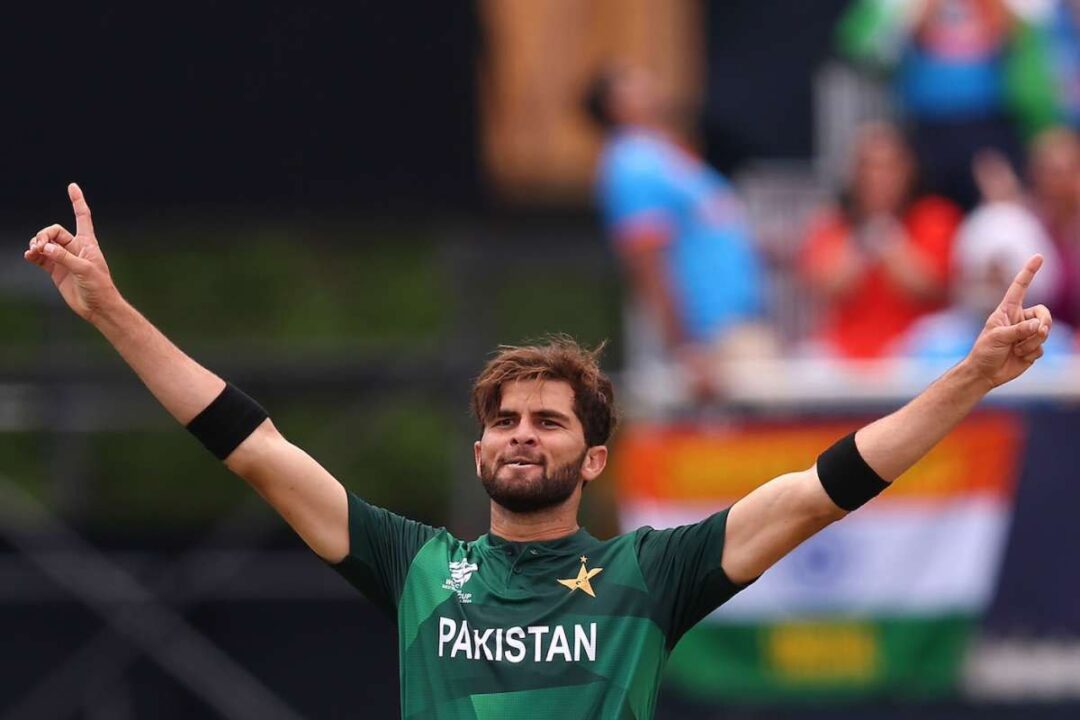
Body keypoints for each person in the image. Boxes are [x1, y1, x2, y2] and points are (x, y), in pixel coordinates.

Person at [25, 184, 1053, 719]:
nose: (522, 433)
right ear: (479, 447)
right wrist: (111, 310)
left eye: (550, 420)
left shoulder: (653, 575)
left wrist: (968, 377)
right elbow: (253, 447)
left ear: (594, 459)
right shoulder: (418, 566)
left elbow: (824, 489)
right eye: (506, 419)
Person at [585, 63, 776, 402]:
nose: (648, 82)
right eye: (631, 81)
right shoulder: (632, 164)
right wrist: (685, 350)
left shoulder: (665, 154)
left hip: (734, 325)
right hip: (712, 338)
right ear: (615, 105)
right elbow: (646, 260)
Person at [800, 122, 962, 359]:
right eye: (869, 168)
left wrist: (889, 241)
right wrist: (861, 243)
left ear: (908, 170)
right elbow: (827, 287)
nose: (878, 178)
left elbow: (930, 286)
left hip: (917, 349)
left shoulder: (935, 217)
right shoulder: (833, 224)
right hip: (847, 349)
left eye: (888, 168)